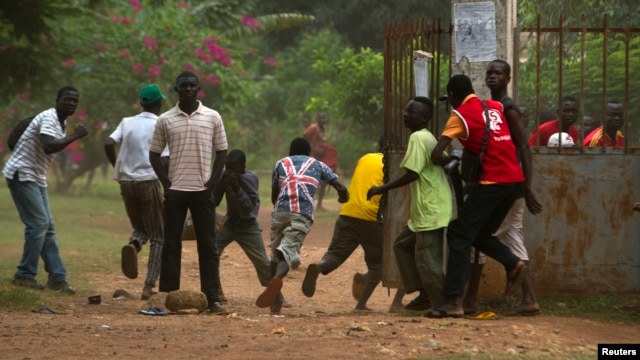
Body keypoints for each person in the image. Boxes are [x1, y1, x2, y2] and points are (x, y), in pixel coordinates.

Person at [428, 74, 528, 318]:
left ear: (452, 96)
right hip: (514, 181)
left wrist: (449, 160)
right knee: (479, 234)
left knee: (458, 232)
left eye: (449, 98)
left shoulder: (458, 115)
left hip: (492, 181)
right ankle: (512, 262)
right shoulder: (494, 106)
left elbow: (436, 153)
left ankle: (454, 301)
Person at [462, 60, 543, 317]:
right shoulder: (492, 107)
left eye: (498, 73)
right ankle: (527, 298)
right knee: (508, 239)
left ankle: (471, 300)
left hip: (508, 188)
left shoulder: (508, 109)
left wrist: (526, 187)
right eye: (490, 73)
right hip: (502, 186)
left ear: (508, 78)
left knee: (479, 238)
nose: (493, 77)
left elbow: (524, 147)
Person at [149, 71, 228, 314]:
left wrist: (212, 182)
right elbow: (154, 154)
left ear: (199, 88)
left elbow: (222, 152)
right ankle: (169, 297)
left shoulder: (213, 117)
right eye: (183, 85)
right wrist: (166, 183)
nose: (188, 89)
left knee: (208, 245)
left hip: (202, 191)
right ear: (176, 89)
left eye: (192, 85)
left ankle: (212, 299)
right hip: (176, 192)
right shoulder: (165, 119)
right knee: (171, 244)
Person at [366, 97, 454, 313]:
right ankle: (424, 293)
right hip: (429, 208)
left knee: (428, 259)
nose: (406, 115)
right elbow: (442, 160)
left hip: (430, 209)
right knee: (401, 245)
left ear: (424, 117)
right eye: (406, 111)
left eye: (411, 112)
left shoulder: (418, 137)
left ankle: (442, 305)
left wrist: (381, 188)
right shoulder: (428, 137)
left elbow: (412, 174)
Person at [301, 137, 403, 311]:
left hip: (347, 213)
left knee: (335, 254)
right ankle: (362, 304)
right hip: (371, 218)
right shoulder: (394, 165)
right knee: (377, 265)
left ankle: (319, 267)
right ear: (394, 149)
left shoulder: (365, 158)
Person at [3, 85, 88, 293]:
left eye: (75, 100)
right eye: (67, 99)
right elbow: (49, 146)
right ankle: (24, 275)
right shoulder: (50, 118)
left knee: (47, 226)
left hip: (36, 177)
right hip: (22, 174)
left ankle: (57, 278)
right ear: (57, 100)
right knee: (38, 224)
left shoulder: (61, 123)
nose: (71, 103)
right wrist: (76, 135)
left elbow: (18, 140)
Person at [255, 137, 349, 315]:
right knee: (287, 252)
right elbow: (340, 187)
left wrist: (282, 204)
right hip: (301, 213)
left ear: (291, 152)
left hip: (280, 212)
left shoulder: (280, 164)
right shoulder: (318, 164)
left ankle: (275, 305)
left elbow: (275, 195)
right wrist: (343, 198)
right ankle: (277, 278)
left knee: (275, 255)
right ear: (309, 153)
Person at [104, 84, 167, 300]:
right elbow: (164, 158)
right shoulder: (160, 124)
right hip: (148, 182)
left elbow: (108, 143)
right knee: (159, 236)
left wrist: (118, 168)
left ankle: (134, 244)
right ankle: (149, 285)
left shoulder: (127, 122)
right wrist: (167, 183)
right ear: (158, 103)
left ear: (141, 103)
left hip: (126, 183)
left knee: (140, 227)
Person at [214, 149, 289, 306]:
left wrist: (236, 187)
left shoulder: (250, 178)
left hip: (248, 226)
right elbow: (215, 200)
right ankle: (216, 292)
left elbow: (249, 207)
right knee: (212, 253)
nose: (229, 171)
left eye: (232, 168)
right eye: (227, 167)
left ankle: (277, 295)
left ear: (242, 167)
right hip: (230, 223)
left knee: (262, 261)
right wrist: (220, 183)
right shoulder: (225, 176)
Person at [304, 112, 339, 211]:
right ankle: (308, 205)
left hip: (322, 158)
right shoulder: (313, 128)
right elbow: (304, 138)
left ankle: (319, 204)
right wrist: (313, 149)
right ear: (317, 119)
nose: (323, 120)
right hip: (312, 158)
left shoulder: (323, 130)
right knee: (310, 181)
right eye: (321, 118)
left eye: (324, 118)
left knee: (324, 180)